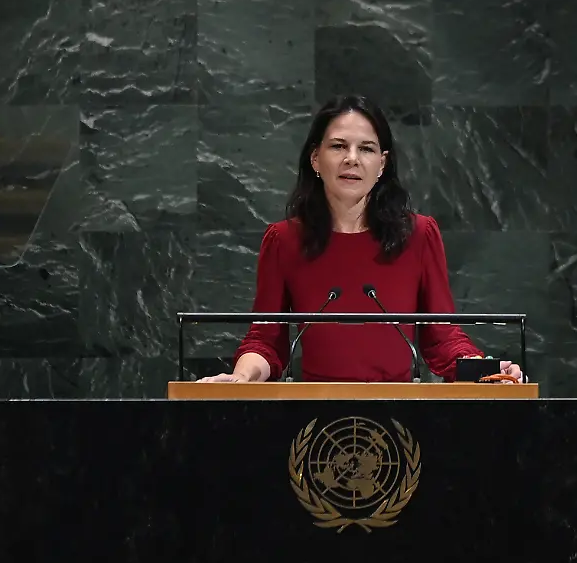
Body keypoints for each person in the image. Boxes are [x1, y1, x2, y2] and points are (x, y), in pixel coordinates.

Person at [196, 95, 523, 383]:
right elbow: (265, 341)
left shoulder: (419, 235)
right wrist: (241, 377)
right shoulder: (284, 240)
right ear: (315, 158)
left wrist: (485, 372)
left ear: (382, 164)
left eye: (366, 148)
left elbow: (443, 337)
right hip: (313, 419)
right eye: (338, 146)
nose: (352, 158)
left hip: (399, 418)